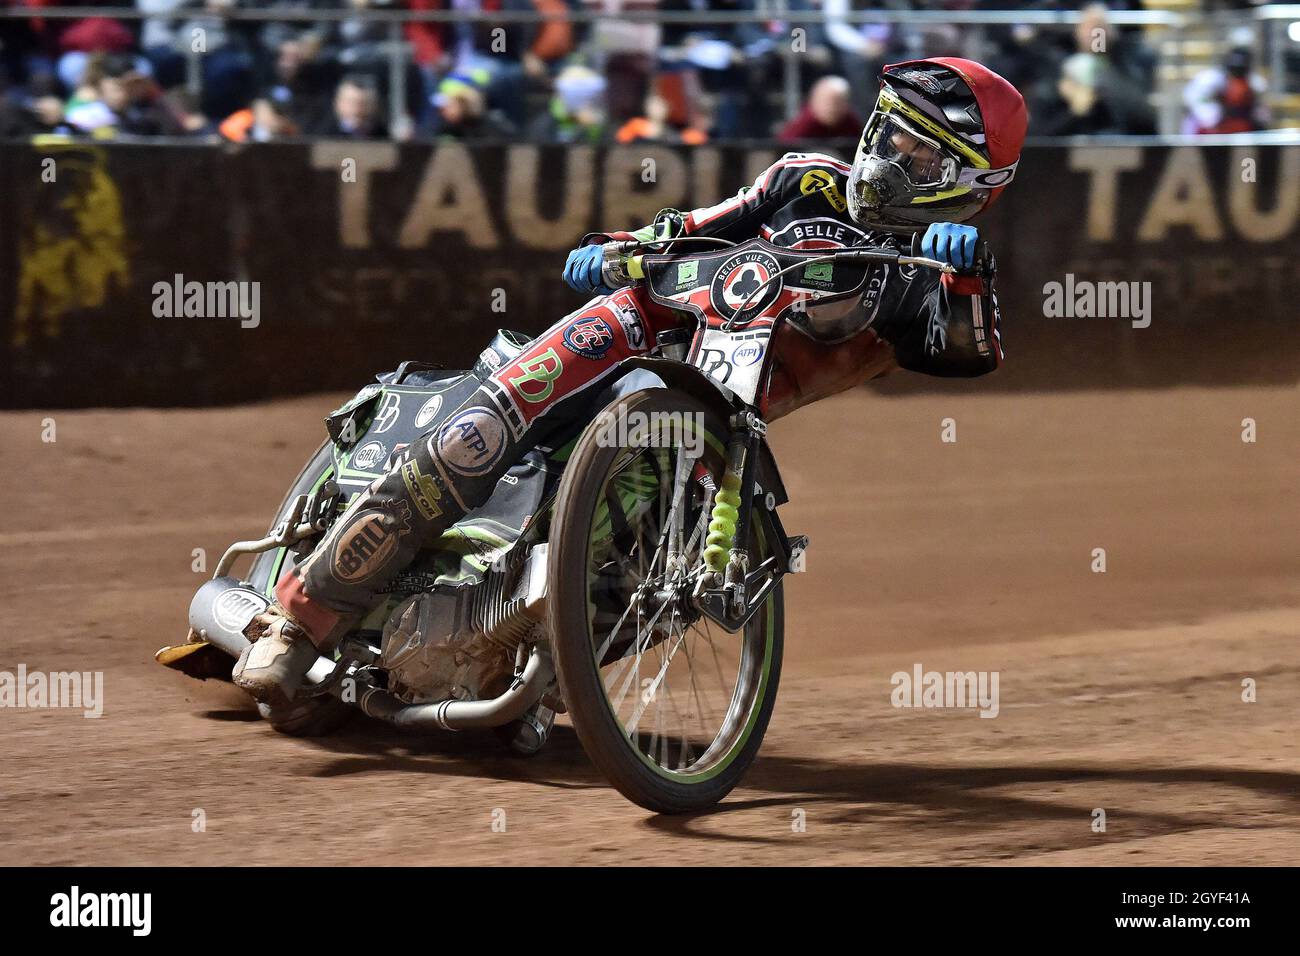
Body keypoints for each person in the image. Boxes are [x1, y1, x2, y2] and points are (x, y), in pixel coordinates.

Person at [231, 57, 1027, 707]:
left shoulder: (935, 270)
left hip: (715, 412)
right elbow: (700, 225)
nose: (888, 160)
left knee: (650, 561)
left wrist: (964, 273)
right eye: (888, 133)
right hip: (645, 317)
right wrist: (618, 244)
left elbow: (969, 352)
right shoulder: (803, 178)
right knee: (476, 434)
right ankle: (299, 622)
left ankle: (536, 681)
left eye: (919, 155)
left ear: (970, 182)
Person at [778, 75, 862, 143]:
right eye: (826, 101)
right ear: (814, 101)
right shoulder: (803, 124)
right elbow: (783, 148)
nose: (831, 108)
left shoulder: (850, 122)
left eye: (838, 102)